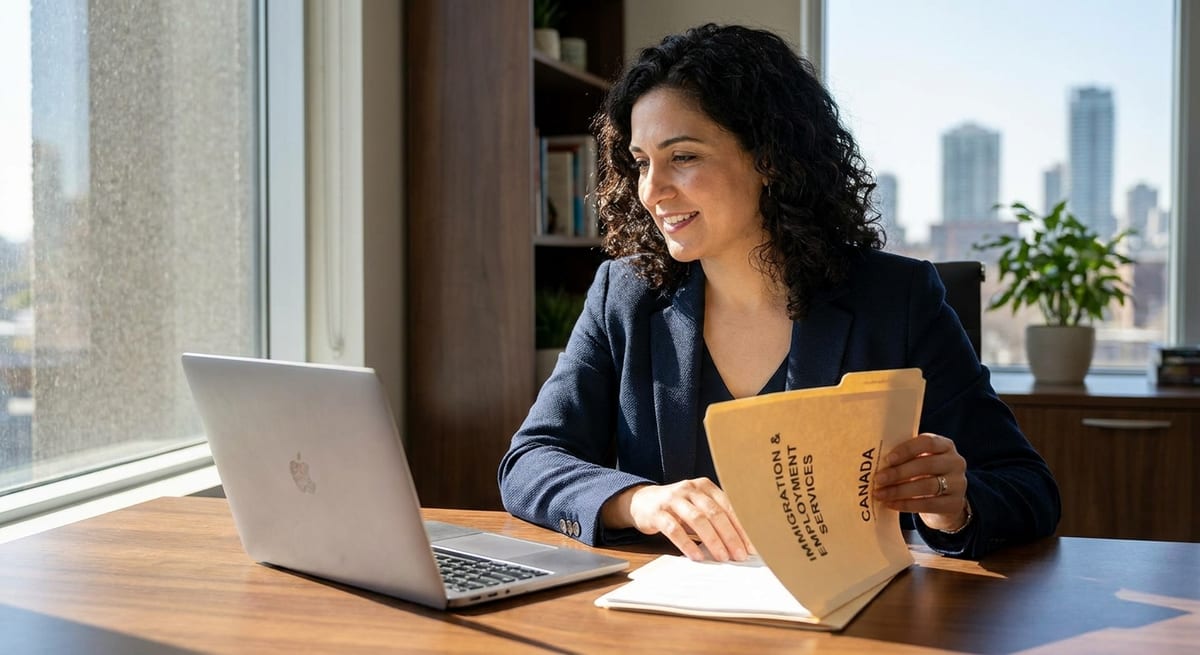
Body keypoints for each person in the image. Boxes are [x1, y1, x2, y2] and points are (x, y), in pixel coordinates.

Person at [498, 24, 1060, 561]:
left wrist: (952, 507)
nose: (652, 189)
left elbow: (1028, 488)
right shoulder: (623, 295)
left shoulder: (897, 298)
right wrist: (640, 501)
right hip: (673, 617)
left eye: (684, 156)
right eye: (642, 163)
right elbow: (529, 462)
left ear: (769, 157)